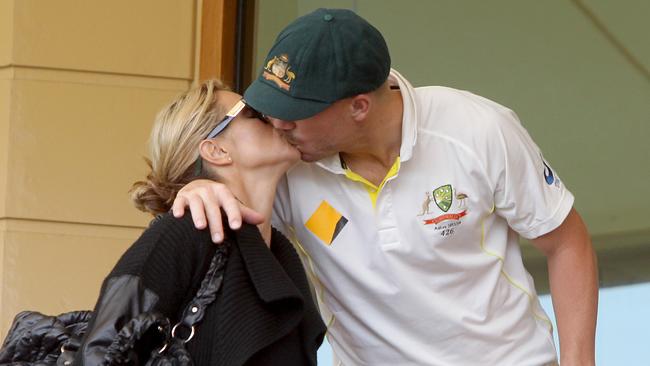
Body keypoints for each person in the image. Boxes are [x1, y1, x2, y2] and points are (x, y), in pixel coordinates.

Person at [173, 9, 598, 366]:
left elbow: (566, 242)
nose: (278, 124)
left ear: (359, 106)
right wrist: (199, 189)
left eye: (296, 111)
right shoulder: (287, 162)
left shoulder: (478, 129)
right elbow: (219, 238)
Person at [75, 79, 326, 365]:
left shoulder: (281, 257)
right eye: (254, 113)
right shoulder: (186, 230)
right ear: (216, 150)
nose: (274, 118)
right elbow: (100, 352)